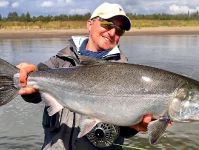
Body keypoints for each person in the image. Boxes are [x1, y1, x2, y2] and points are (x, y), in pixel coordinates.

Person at [17, 2, 153, 150]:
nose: (113, 33)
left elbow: (124, 129)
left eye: (120, 30)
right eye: (107, 24)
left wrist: (134, 127)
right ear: (90, 24)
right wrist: (27, 85)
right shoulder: (61, 59)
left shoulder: (126, 73)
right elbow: (37, 93)